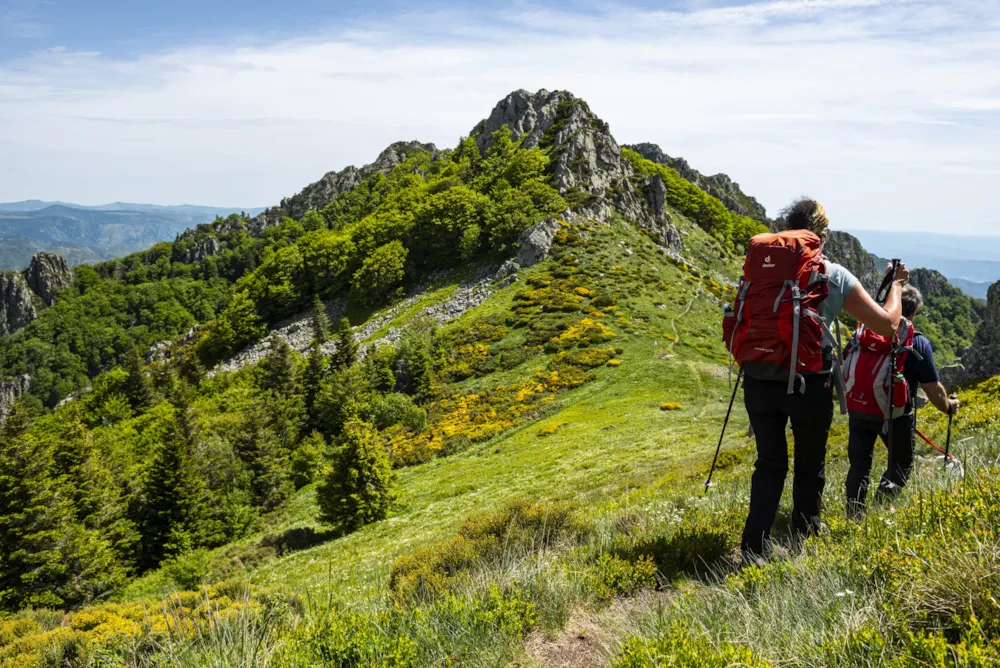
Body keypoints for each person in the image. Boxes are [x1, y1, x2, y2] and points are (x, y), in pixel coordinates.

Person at [738, 198, 909, 562]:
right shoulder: (833, 273)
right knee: (809, 460)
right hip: (808, 381)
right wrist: (896, 287)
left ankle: (754, 546)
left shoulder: (761, 267)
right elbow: (888, 325)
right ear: (822, 235)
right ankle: (805, 530)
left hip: (757, 378)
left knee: (769, 463)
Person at [845, 285, 960, 516]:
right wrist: (948, 407)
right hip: (894, 415)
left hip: (859, 407)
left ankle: (854, 515)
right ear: (914, 311)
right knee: (901, 462)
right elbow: (933, 388)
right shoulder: (916, 343)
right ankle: (878, 511)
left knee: (859, 465)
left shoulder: (865, 332)